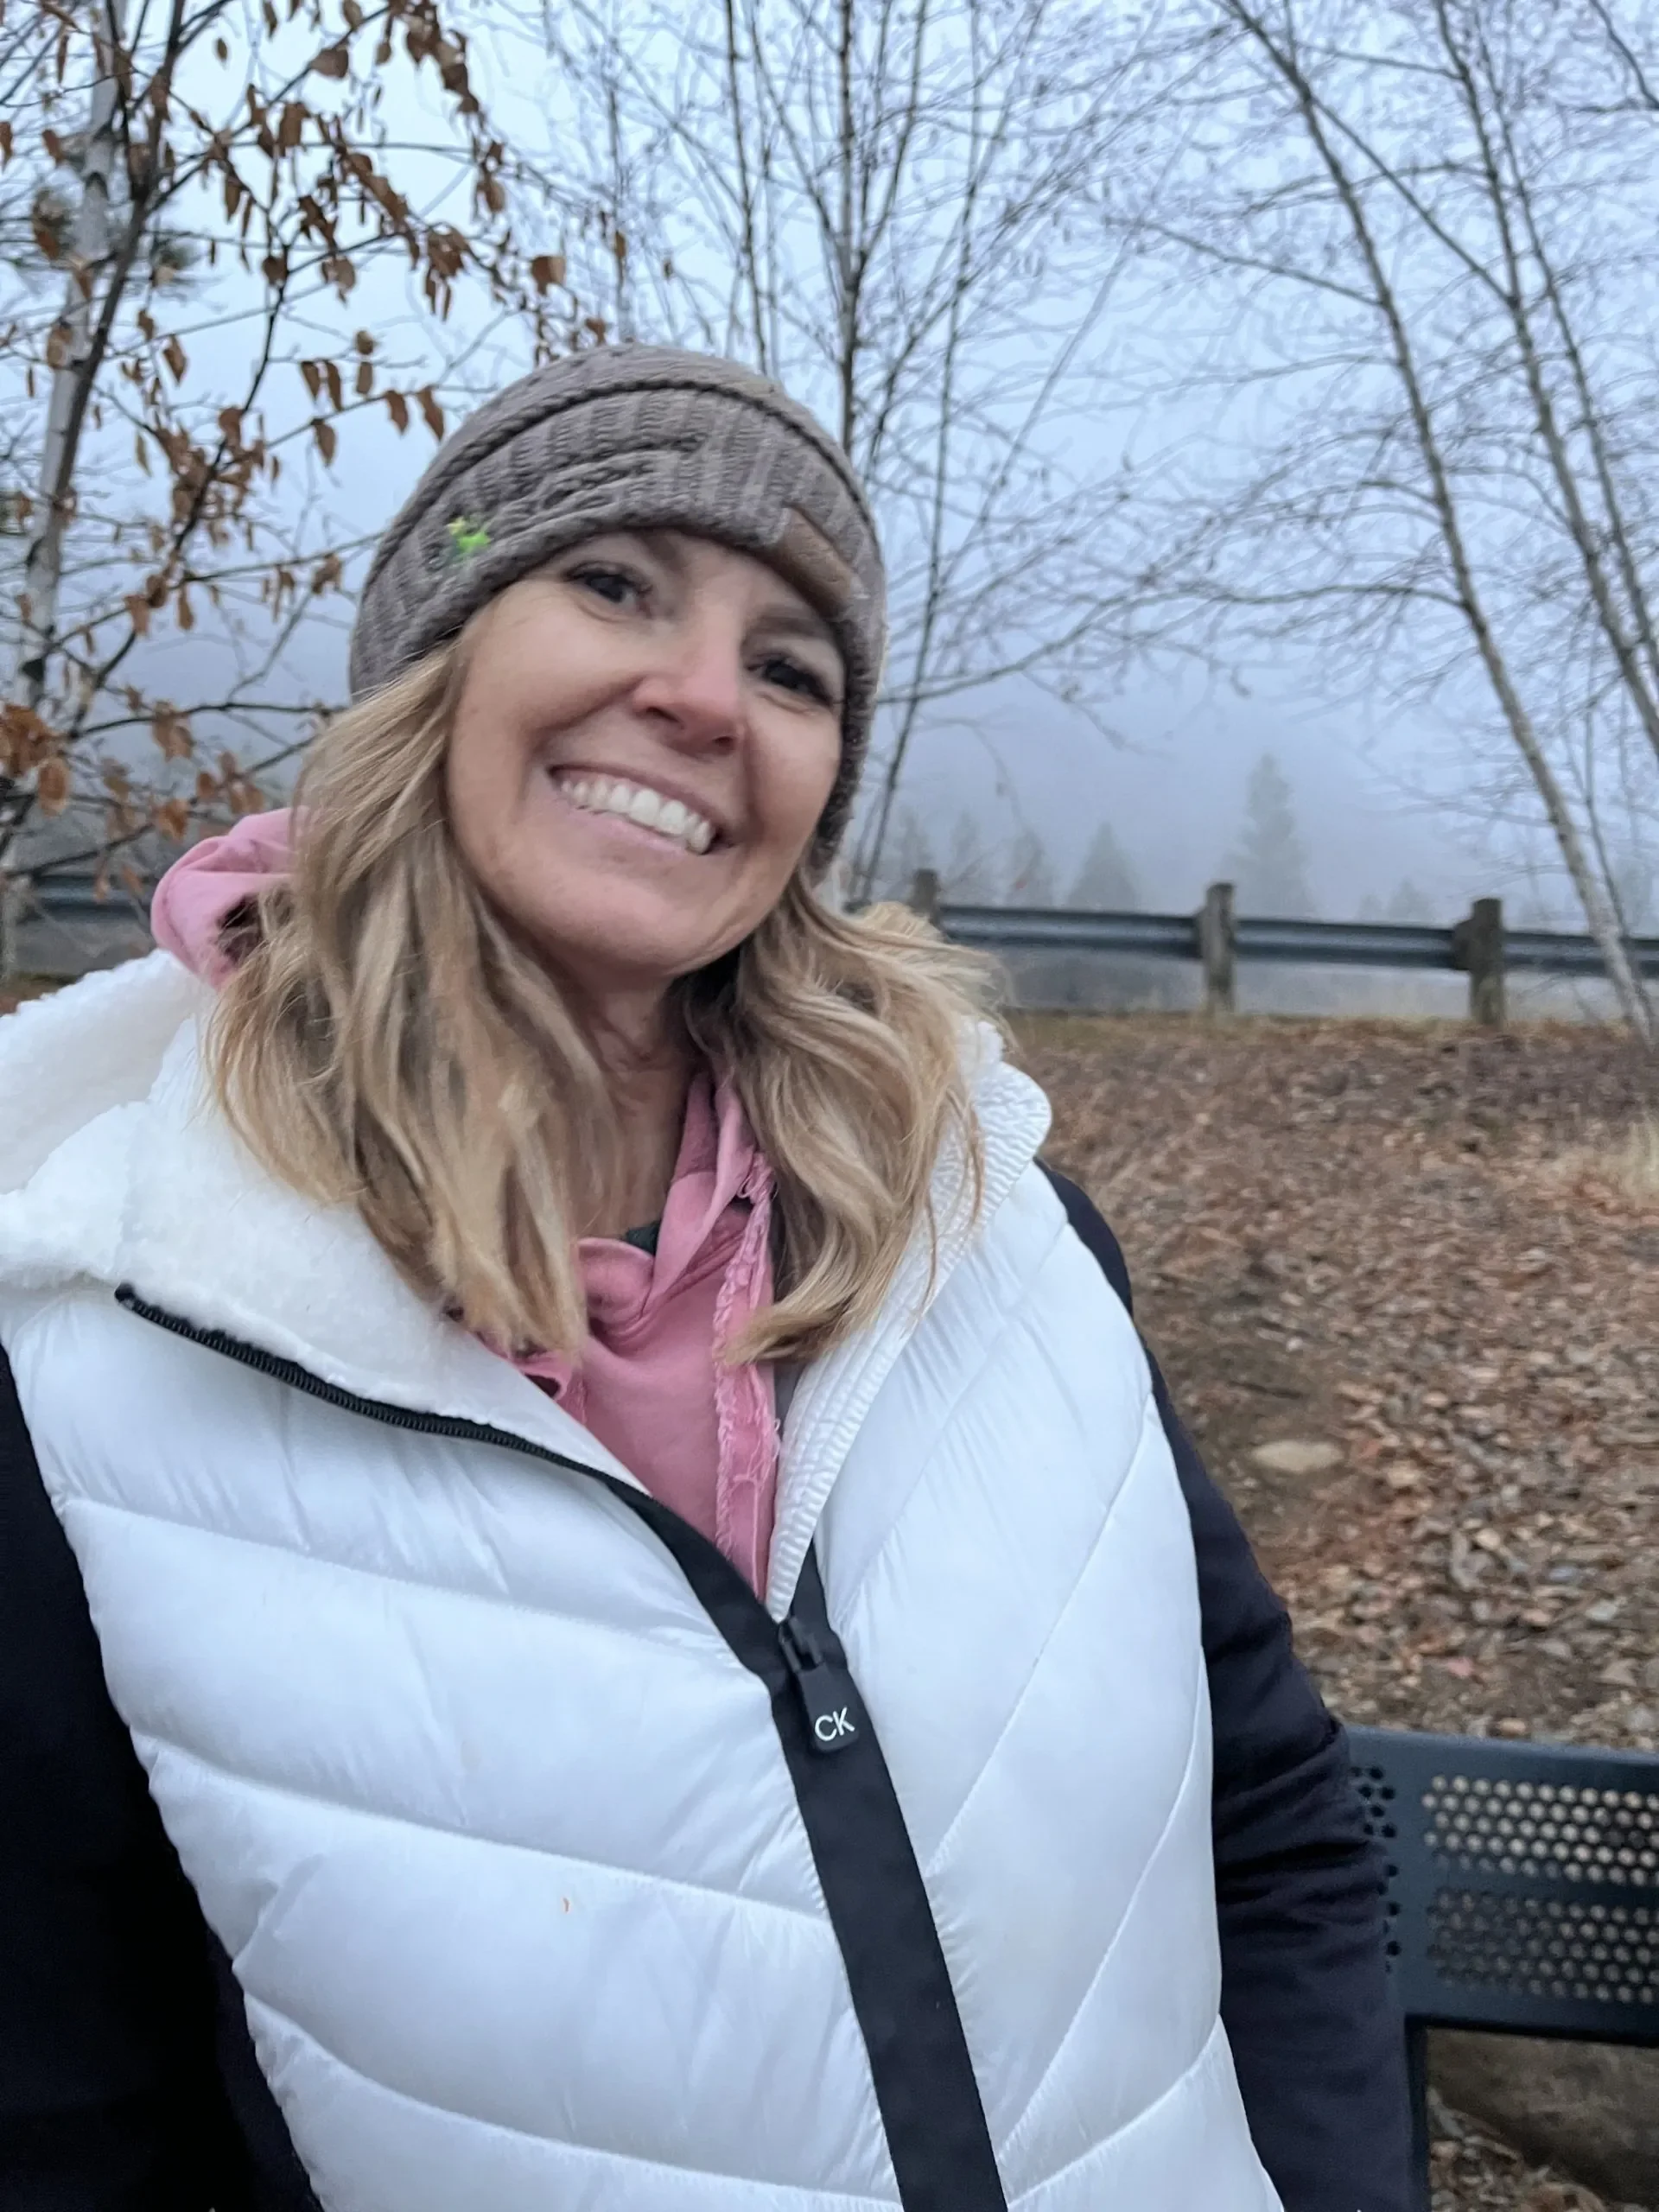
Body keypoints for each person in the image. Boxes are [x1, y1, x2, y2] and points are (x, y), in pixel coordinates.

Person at [0, 346, 1410, 2211]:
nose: (701, 696)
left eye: (791, 665)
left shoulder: (999, 1237)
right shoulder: (102, 1346)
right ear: (436, 658)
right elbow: (73, 2117)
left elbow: (1282, 1829)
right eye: (614, 583)